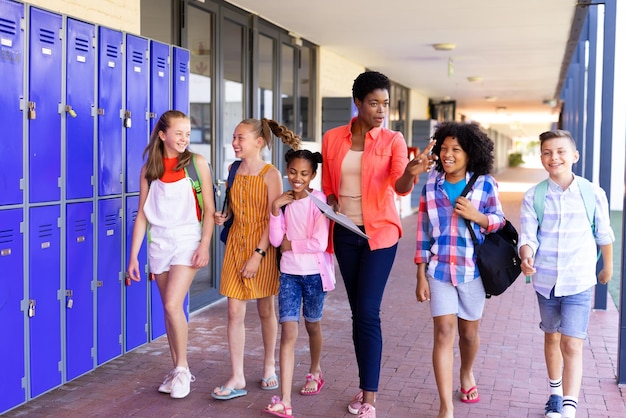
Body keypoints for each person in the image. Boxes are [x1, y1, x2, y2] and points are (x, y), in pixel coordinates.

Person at [321, 70, 434, 418]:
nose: (381, 110)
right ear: (358, 103)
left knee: (368, 311)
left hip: (380, 235)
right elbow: (327, 184)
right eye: (374, 103)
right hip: (345, 232)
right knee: (359, 313)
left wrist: (412, 172)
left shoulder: (393, 140)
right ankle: (363, 387)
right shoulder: (332, 138)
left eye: (385, 104)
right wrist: (331, 198)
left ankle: (370, 398)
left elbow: (399, 187)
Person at [518, 130, 614, 418]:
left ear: (574, 156)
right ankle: (555, 394)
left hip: (580, 280)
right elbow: (528, 235)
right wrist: (526, 255)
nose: (553, 157)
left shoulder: (592, 193)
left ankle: (569, 405)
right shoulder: (534, 196)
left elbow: (604, 233)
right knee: (551, 337)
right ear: (542, 158)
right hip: (545, 281)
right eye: (547, 152)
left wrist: (607, 266)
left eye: (560, 151)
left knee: (572, 341)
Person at [414, 121, 505, 418]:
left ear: (470, 153)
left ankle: (466, 373)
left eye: (456, 149)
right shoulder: (432, 183)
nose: (447, 154)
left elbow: (499, 221)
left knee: (468, 334)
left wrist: (478, 216)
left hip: (472, 271)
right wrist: (420, 273)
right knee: (443, 333)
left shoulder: (485, 184)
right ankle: (446, 406)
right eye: (444, 149)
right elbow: (424, 229)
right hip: (439, 269)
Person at [127, 110, 215, 399]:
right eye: (179, 133)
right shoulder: (149, 170)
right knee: (168, 307)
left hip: (187, 239)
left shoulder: (196, 164)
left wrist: (204, 245)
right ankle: (178, 370)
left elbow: (211, 211)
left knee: (173, 303)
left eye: (187, 133)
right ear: (163, 135)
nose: (184, 138)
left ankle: (182, 368)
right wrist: (133, 257)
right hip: (159, 242)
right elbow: (142, 216)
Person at [212, 118, 301, 401]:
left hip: (261, 249)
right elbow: (234, 207)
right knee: (233, 313)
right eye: (234, 137)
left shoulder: (271, 174)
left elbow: (272, 219)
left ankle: (268, 366)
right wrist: (224, 216)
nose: (235, 143)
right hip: (235, 245)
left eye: (240, 138)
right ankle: (237, 375)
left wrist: (258, 255)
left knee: (265, 310)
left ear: (258, 142)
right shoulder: (233, 169)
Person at [263, 149, 335, 418]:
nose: (297, 177)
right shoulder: (282, 202)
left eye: (304, 173)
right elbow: (274, 241)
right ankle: (284, 400)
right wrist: (274, 209)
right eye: (293, 172)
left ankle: (315, 371)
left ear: (313, 175)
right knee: (288, 334)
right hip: (289, 275)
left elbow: (319, 242)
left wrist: (290, 244)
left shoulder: (319, 201)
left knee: (312, 325)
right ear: (287, 171)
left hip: (314, 275)